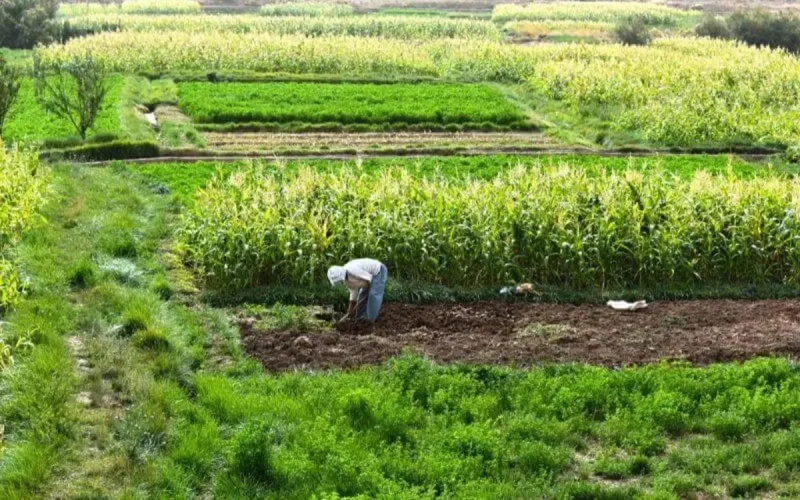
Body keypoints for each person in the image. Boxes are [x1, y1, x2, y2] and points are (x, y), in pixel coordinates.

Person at [327, 258, 388, 324]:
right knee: (361, 297)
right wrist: (350, 310)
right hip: (367, 281)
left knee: (373, 296)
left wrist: (370, 291)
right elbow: (353, 293)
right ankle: (360, 320)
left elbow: (369, 279)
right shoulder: (346, 279)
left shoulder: (352, 270)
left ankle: (369, 322)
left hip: (378, 272)